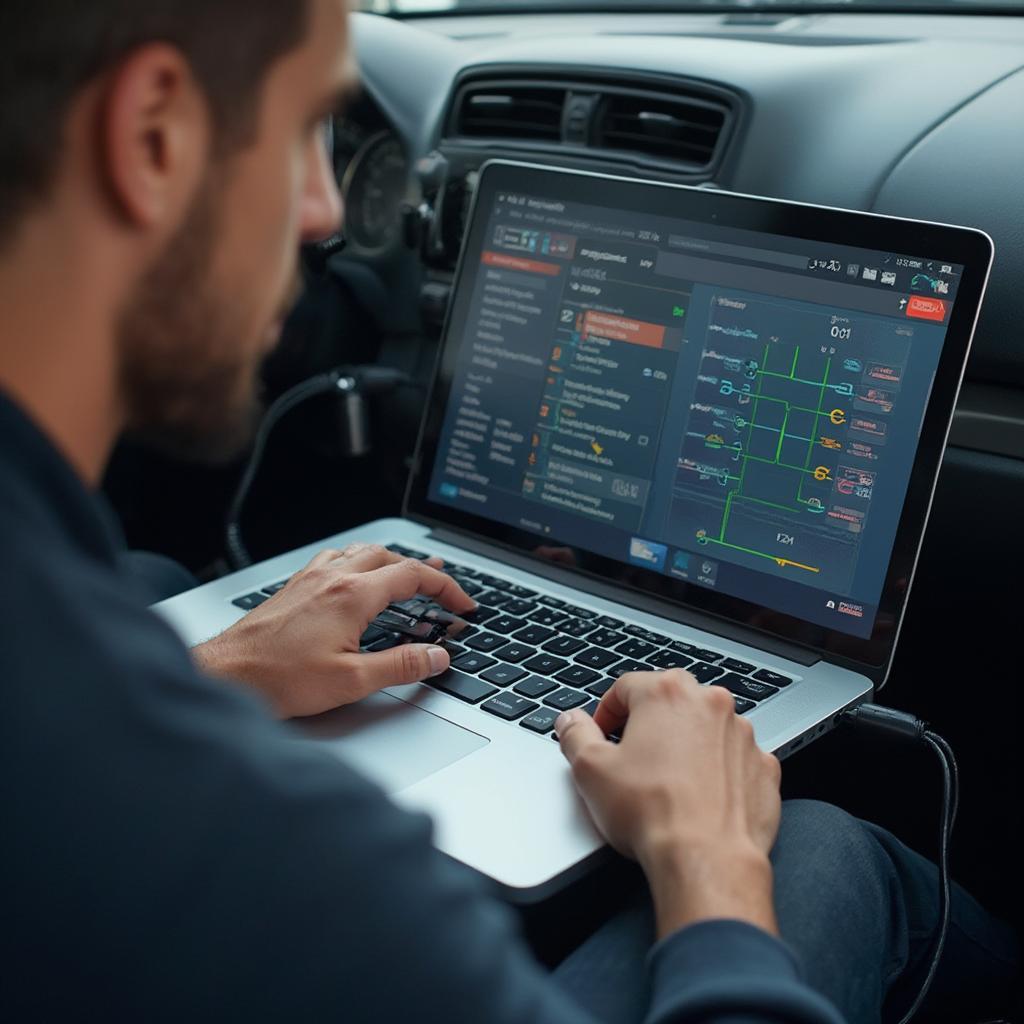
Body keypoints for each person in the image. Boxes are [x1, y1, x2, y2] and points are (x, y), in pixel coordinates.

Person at [0, 2, 1017, 1021]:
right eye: (307, 127)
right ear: (152, 137)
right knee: (820, 843)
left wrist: (207, 671)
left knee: (165, 589)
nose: (323, 211)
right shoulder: (313, 878)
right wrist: (709, 864)